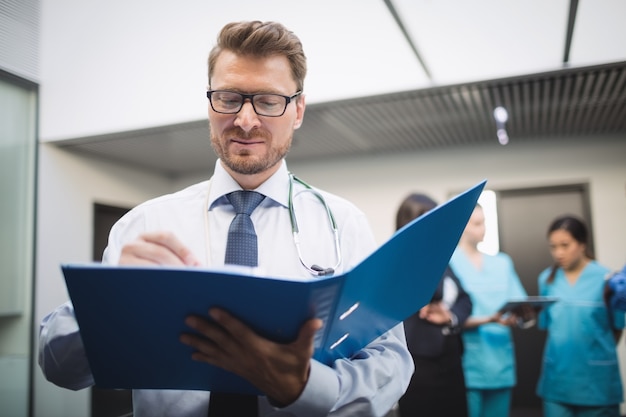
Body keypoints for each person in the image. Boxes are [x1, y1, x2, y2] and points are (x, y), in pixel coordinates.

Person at [38, 21, 413, 417]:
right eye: (229, 98)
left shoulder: (343, 224)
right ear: (210, 102)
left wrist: (306, 389)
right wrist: (111, 303)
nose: (246, 120)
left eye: (268, 101)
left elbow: (390, 362)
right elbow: (57, 364)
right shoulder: (145, 225)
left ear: (298, 110)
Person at [536, 215, 624, 417]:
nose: (558, 253)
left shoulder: (608, 280)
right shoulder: (546, 279)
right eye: (553, 246)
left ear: (582, 244)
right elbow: (550, 327)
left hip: (597, 384)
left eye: (565, 245)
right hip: (557, 381)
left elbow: (616, 330)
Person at [394, 193, 473, 417]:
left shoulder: (442, 258)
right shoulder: (398, 259)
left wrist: (450, 316)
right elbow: (430, 293)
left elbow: (465, 300)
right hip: (419, 362)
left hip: (450, 357)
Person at [449, 204, 528, 417]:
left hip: (500, 361)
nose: (482, 228)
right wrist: (489, 320)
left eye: (484, 222)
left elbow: (520, 305)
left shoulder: (502, 263)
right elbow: (447, 317)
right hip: (467, 363)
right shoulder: (449, 263)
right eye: (476, 223)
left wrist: (520, 314)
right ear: (462, 226)